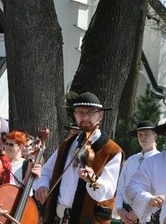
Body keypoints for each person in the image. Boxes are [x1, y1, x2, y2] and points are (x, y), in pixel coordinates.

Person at [34, 92, 123, 224]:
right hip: (58, 218)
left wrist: (91, 179)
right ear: (75, 115)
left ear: (100, 115)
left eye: (91, 113)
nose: (85, 117)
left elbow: (108, 190)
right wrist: (42, 185)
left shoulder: (112, 150)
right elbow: (46, 171)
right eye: (80, 113)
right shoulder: (66, 144)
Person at [115, 120, 160, 223]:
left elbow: (159, 192)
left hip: (147, 214)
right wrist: (119, 209)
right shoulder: (131, 160)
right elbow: (121, 185)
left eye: (147, 134)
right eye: (140, 135)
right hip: (125, 213)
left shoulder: (160, 160)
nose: (143, 138)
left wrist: (137, 213)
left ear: (155, 136)